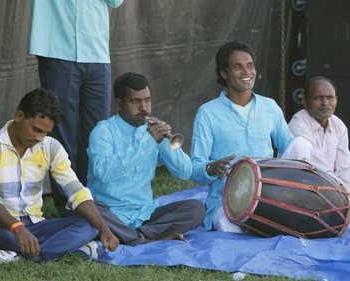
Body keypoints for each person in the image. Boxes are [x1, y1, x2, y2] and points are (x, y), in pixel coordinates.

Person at [0, 88, 119, 267]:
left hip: (36, 226)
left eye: (45, 133)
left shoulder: (51, 147)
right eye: (36, 130)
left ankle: (17, 256)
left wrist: (104, 229)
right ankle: (67, 248)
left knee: (89, 225)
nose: (39, 138)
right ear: (19, 116)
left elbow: (75, 190)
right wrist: (17, 228)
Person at [86, 72, 206, 245]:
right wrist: (147, 143)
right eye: (136, 101)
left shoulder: (150, 133)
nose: (144, 108)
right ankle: (146, 237)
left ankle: (137, 236)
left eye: (147, 100)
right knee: (89, 210)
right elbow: (103, 173)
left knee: (196, 209)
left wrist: (164, 142)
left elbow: (185, 172)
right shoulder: (103, 132)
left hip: (145, 213)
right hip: (110, 212)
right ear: (119, 104)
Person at [29, 0, 124, 216]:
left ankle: (95, 201)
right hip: (56, 47)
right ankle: (69, 207)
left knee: (98, 134)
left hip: (96, 50)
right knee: (62, 134)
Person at [190, 40, 294, 233]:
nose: (247, 72)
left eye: (250, 65)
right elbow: (195, 168)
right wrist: (211, 168)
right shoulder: (207, 113)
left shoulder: (269, 107)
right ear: (223, 73)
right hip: (226, 202)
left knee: (302, 144)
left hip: (268, 197)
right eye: (238, 67)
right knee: (229, 229)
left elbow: (291, 148)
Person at [288, 76, 350, 190]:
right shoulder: (298, 124)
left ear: (336, 100)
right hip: (300, 191)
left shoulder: (339, 126)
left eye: (330, 98)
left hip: (332, 191)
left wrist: (346, 195)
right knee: (300, 143)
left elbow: (345, 168)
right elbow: (318, 167)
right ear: (304, 101)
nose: (325, 103)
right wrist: (341, 190)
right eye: (318, 98)